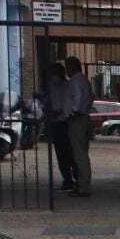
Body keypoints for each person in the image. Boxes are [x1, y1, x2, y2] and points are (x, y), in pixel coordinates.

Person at [41, 61, 76, 190]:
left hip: (66, 121)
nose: (54, 76)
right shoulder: (50, 87)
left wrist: (61, 111)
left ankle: (76, 177)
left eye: (56, 73)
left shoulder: (68, 85)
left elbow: (71, 102)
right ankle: (67, 178)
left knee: (71, 151)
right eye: (52, 73)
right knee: (60, 153)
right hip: (55, 123)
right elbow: (46, 102)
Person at [62, 55, 93, 197]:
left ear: (72, 67)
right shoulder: (84, 80)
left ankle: (83, 186)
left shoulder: (75, 82)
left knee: (79, 154)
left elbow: (78, 100)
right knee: (82, 153)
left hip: (77, 119)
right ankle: (82, 183)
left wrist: (72, 112)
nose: (66, 70)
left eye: (67, 67)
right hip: (83, 118)